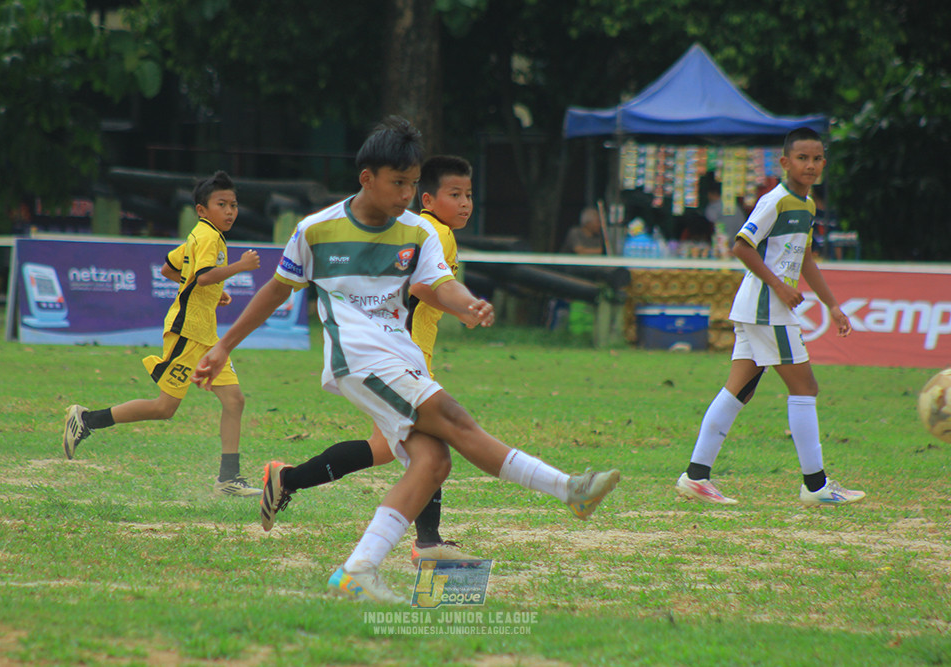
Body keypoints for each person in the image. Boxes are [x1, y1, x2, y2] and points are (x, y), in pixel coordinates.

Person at [192, 116, 621, 603]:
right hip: (358, 357)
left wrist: (468, 304)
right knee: (456, 420)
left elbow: (438, 283)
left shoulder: (419, 231)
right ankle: (570, 490)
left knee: (433, 460)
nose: (405, 193)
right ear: (366, 178)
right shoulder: (316, 230)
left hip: (399, 354)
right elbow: (275, 291)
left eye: (413, 183)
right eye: (398, 182)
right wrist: (224, 346)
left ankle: (359, 568)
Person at [259, 154, 483, 565]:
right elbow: (417, 290)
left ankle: (286, 478)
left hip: (400, 355)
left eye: (469, 195)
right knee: (432, 443)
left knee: (380, 449)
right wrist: (461, 307)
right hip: (398, 357)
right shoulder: (432, 232)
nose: (466, 203)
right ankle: (428, 541)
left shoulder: (426, 228)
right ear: (429, 199)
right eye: (456, 195)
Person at [674, 127, 865, 507]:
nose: (809, 165)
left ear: (823, 163)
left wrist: (831, 304)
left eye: (816, 159)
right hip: (766, 309)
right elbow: (741, 247)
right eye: (802, 158)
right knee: (805, 387)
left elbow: (805, 258)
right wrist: (779, 286)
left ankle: (696, 477)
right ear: (785, 162)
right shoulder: (774, 201)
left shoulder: (807, 205)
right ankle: (816, 485)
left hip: (760, 309)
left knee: (738, 390)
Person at [62, 170, 263, 497]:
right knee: (164, 408)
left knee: (234, 400)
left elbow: (171, 269)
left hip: (207, 336)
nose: (230, 211)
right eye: (222, 204)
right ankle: (86, 420)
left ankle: (228, 479)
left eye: (234, 205)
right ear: (202, 209)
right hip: (187, 334)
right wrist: (239, 267)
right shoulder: (208, 236)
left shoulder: (201, 234)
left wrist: (213, 293)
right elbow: (202, 277)